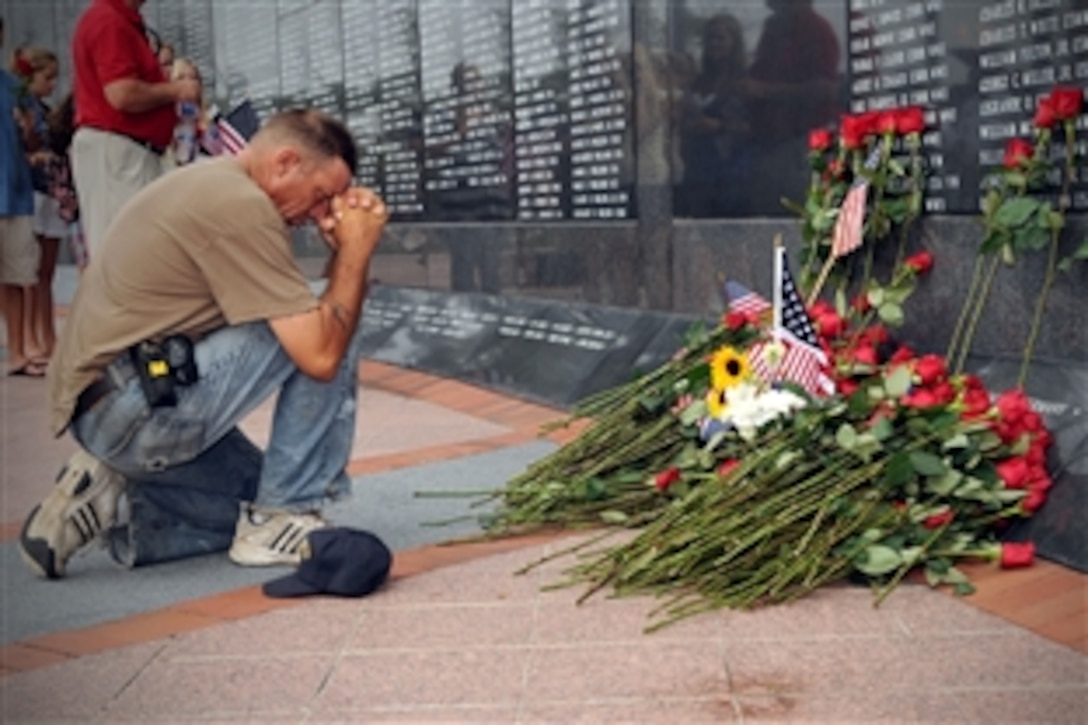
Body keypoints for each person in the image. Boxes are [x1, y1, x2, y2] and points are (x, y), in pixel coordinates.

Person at [19, 108, 389, 579]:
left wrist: (343, 256)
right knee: (335, 322)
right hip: (134, 411)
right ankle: (278, 520)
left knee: (250, 494)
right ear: (285, 162)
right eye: (321, 197)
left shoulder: (211, 184)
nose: (321, 215)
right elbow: (320, 353)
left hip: (114, 410)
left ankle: (108, 497)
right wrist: (356, 251)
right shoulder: (241, 207)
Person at [69, 0, 201, 258]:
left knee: (139, 254)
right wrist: (176, 90)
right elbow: (122, 94)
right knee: (120, 254)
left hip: (132, 150)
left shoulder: (123, 20)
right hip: (117, 148)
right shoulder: (109, 19)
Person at [745, 0, 840, 214]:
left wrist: (767, 91)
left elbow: (826, 89)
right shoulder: (774, 27)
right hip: (767, 142)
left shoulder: (815, 29)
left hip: (800, 143)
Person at [13, 46, 64, 367]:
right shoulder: (19, 109)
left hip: (49, 190)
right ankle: (30, 336)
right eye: (47, 78)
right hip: (29, 190)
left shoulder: (45, 110)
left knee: (46, 272)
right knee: (29, 272)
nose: (52, 84)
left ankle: (49, 336)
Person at [675, 13, 751, 218]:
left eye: (720, 38)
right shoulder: (699, 81)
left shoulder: (745, 81)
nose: (714, 44)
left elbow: (756, 129)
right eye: (710, 38)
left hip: (731, 175)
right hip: (698, 172)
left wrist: (719, 127)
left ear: (735, 43)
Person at [0, 17, 42, 377]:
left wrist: (28, 129)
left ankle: (16, 352)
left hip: (13, 196)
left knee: (17, 277)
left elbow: (34, 143)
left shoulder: (16, 89)